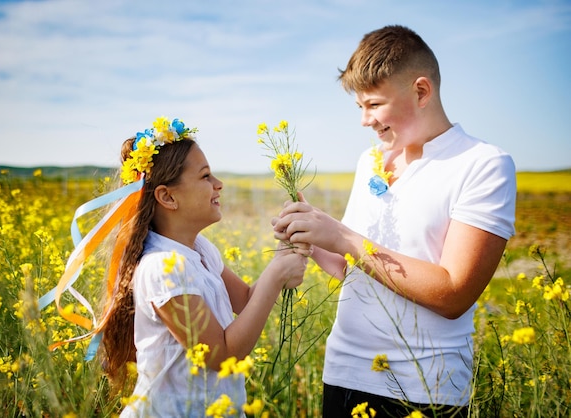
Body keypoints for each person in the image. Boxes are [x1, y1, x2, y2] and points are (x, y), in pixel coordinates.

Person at [272, 25, 516, 417]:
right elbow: (352, 269)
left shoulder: (484, 164)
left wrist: (344, 237)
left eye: (374, 105)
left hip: (424, 388)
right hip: (345, 374)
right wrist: (314, 236)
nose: (365, 121)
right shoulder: (369, 162)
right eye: (360, 107)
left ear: (421, 91)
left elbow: (454, 293)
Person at [95, 116, 308, 417]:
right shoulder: (162, 267)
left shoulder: (200, 250)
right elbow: (220, 356)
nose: (218, 185)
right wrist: (275, 278)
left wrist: (283, 255)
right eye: (205, 176)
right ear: (167, 197)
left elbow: (247, 300)